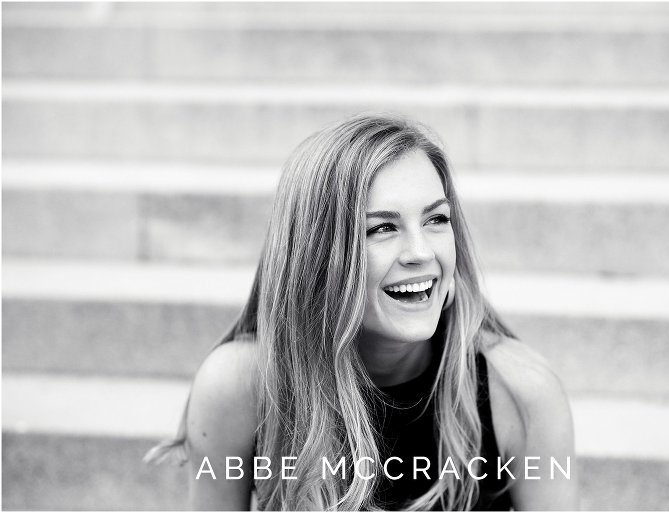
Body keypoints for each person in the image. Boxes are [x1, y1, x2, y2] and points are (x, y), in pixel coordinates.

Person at [145, 114, 577, 511]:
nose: (421, 252)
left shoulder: (520, 392)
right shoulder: (238, 385)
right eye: (381, 228)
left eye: (436, 220)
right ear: (316, 255)